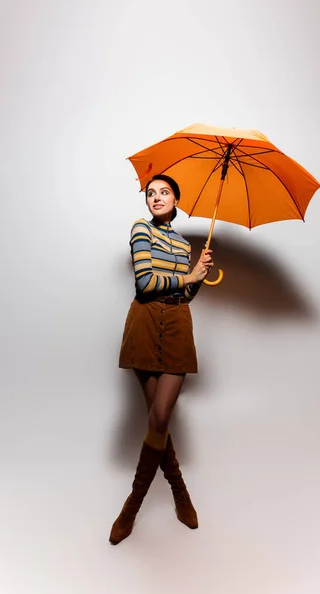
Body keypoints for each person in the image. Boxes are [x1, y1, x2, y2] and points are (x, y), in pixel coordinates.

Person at [109, 174, 214, 545]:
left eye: (164, 192)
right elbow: (145, 282)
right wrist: (186, 276)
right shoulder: (141, 229)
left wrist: (198, 275)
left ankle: (138, 501)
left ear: (176, 199)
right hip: (145, 320)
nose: (155, 198)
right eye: (150, 193)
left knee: (161, 416)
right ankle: (164, 495)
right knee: (157, 416)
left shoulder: (184, 244)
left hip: (177, 324)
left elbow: (185, 296)